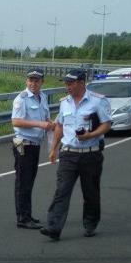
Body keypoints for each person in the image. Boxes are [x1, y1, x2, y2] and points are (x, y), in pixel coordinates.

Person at [41, 69, 112, 241]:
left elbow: (107, 124)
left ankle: (90, 223)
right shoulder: (65, 102)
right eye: (66, 84)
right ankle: (53, 227)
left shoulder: (97, 101)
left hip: (91, 154)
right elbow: (59, 125)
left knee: (90, 192)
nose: (67, 87)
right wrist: (53, 149)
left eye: (70, 83)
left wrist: (90, 135)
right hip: (68, 154)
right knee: (61, 191)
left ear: (81, 83)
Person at [10, 68, 53, 229]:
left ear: (42, 82)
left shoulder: (43, 97)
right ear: (26, 81)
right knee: (23, 181)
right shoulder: (21, 99)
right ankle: (22, 218)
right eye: (30, 80)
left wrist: (50, 123)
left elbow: (45, 117)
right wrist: (39, 124)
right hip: (22, 142)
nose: (33, 83)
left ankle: (27, 214)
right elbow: (16, 121)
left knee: (29, 181)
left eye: (36, 80)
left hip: (35, 143)